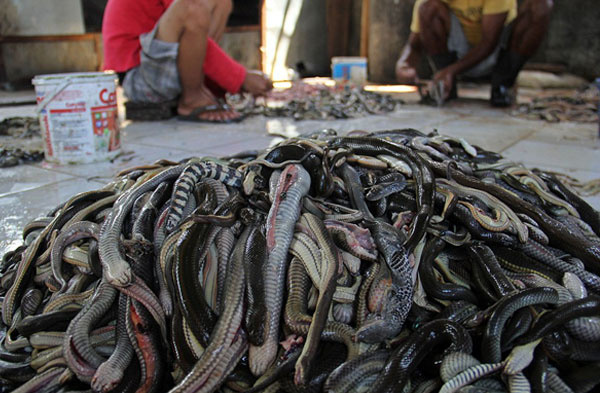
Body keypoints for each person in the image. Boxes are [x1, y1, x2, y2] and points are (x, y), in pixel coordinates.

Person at [102, 0, 272, 122]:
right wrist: (240, 78)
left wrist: (231, 80)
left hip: (157, 70)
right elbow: (189, 13)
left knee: (221, 1)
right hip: (139, 79)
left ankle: (200, 85)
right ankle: (192, 98)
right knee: (191, 7)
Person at [395, 0, 553, 107]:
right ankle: (446, 86)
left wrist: (450, 71)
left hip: (495, 54)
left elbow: (488, 43)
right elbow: (413, 44)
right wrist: (403, 65)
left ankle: (503, 85)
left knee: (540, 5)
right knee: (428, 8)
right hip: (456, 54)